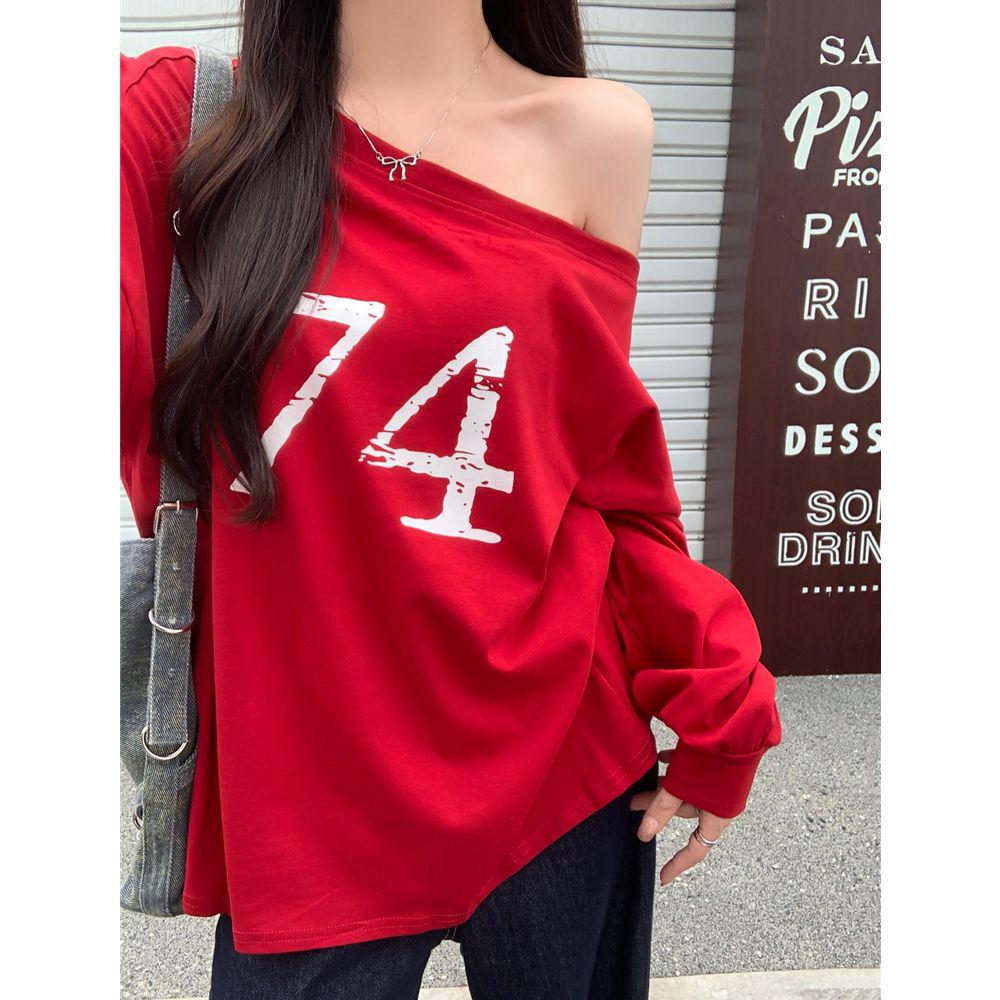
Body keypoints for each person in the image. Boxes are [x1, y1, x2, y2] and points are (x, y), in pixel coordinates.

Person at [120, 2, 782, 997]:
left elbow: (591, 472)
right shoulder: (184, 123)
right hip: (309, 812)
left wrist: (719, 697)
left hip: (561, 776)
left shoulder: (598, 133)